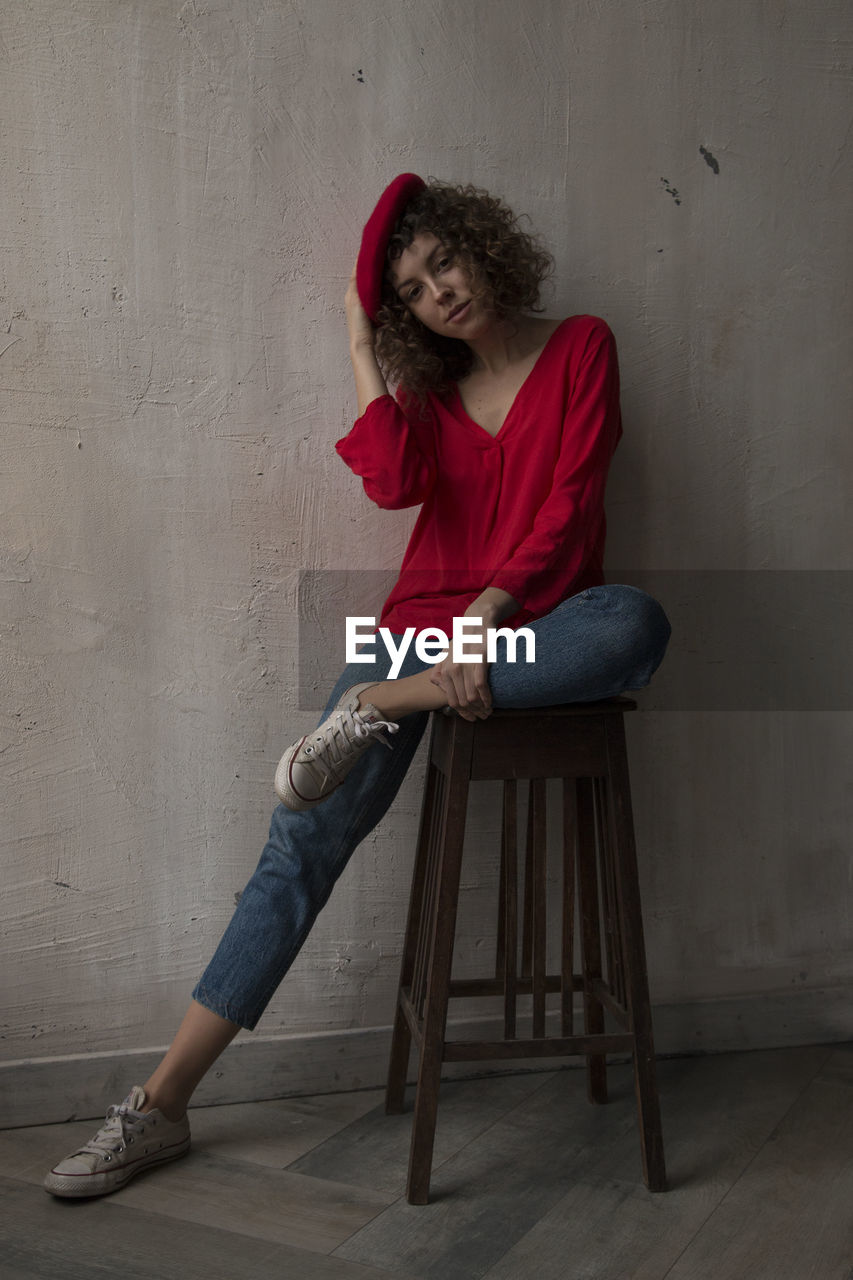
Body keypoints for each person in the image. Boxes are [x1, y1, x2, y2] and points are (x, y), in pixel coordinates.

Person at [44, 173, 671, 1198]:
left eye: (444, 264)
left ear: (483, 248)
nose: (440, 293)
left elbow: (571, 497)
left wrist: (480, 625)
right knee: (301, 843)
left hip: (532, 625)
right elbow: (390, 486)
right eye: (413, 290)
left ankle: (384, 705)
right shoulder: (424, 392)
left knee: (635, 622)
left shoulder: (583, 345)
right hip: (416, 630)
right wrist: (358, 344)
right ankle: (160, 1105)